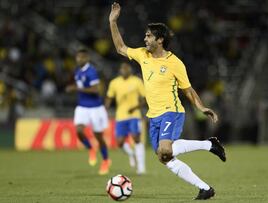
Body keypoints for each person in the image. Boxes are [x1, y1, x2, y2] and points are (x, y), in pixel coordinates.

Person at [109, 2, 226, 200]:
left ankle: (209, 146)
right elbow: (120, 48)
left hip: (171, 111)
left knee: (165, 149)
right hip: (153, 115)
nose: (144, 38)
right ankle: (205, 185)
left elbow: (188, 90)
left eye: (148, 35)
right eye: (145, 35)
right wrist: (112, 21)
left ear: (160, 39)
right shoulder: (142, 55)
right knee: (165, 158)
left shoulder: (174, 63)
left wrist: (201, 107)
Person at [66, 48, 111, 175]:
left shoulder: (92, 71)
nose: (79, 59)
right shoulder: (77, 71)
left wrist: (76, 88)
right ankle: (91, 148)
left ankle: (106, 160)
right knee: (79, 131)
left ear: (87, 58)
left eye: (82, 57)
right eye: (77, 57)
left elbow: (95, 90)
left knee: (99, 137)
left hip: (95, 107)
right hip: (82, 107)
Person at [105, 62, 146, 174]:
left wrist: (135, 107)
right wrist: (106, 107)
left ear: (130, 70)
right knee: (119, 143)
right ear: (120, 70)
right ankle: (131, 154)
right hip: (120, 116)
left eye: (126, 69)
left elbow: (144, 99)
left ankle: (141, 167)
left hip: (134, 115)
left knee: (136, 137)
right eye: (122, 69)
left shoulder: (137, 81)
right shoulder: (114, 83)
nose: (124, 71)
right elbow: (109, 97)